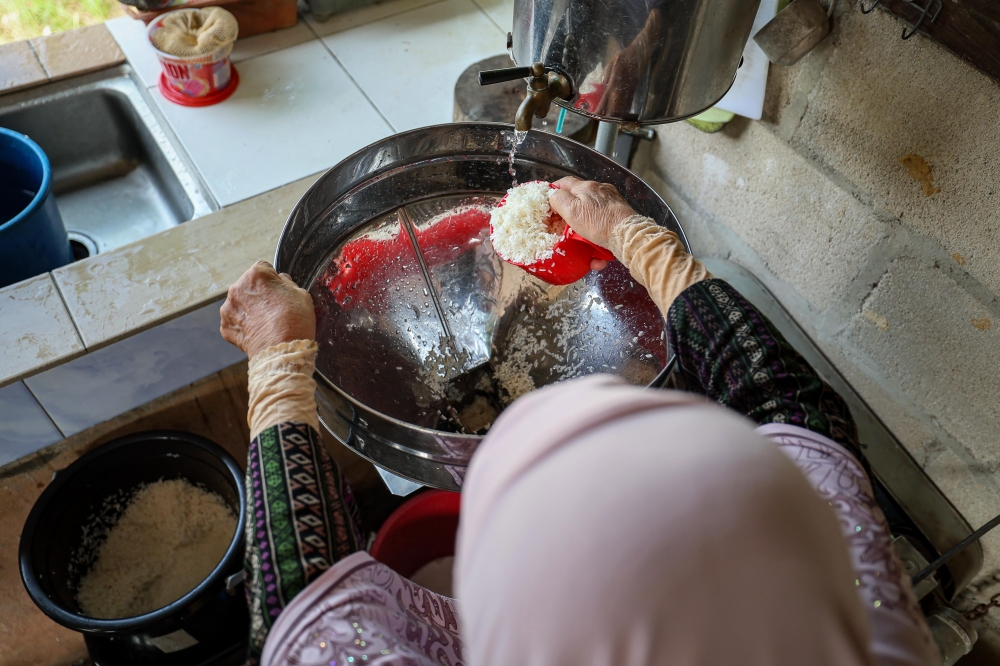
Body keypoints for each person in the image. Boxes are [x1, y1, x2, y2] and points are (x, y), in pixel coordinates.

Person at [220, 178, 941, 666]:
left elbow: (302, 608)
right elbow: (787, 404)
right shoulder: (862, 611)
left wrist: (280, 362)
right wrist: (633, 237)